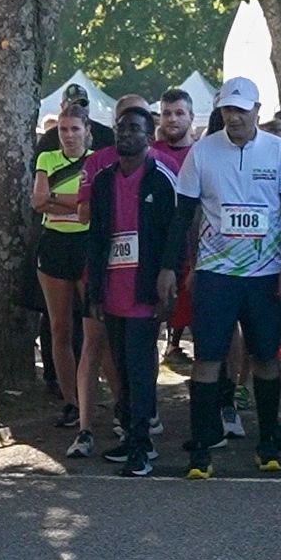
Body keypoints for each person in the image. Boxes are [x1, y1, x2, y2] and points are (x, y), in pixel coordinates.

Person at [169, 77, 281, 476]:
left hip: (266, 273)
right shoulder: (202, 151)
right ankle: (202, 447)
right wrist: (172, 267)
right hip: (217, 273)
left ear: (257, 111)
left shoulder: (280, 150)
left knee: (266, 356)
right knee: (207, 358)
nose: (235, 117)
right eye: (228, 109)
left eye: (242, 110)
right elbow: (183, 214)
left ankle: (268, 441)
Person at [76, 96, 186, 476]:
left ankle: (142, 444)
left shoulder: (163, 176)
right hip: (112, 288)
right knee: (120, 368)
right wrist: (94, 289)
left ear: (149, 136)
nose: (126, 134)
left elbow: (176, 231)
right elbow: (96, 237)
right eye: (121, 127)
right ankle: (129, 434)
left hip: (144, 289)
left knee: (140, 368)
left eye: (134, 128)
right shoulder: (104, 180)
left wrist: (170, 274)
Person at [31, 88, 100, 448]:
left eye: (75, 129)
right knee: (60, 327)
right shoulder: (47, 158)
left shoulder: (98, 161)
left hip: (87, 246)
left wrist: (60, 201)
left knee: (94, 329)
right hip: (54, 245)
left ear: (87, 131)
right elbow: (38, 201)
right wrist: (73, 203)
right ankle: (70, 401)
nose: (69, 135)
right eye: (63, 130)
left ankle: (98, 399)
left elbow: (92, 207)